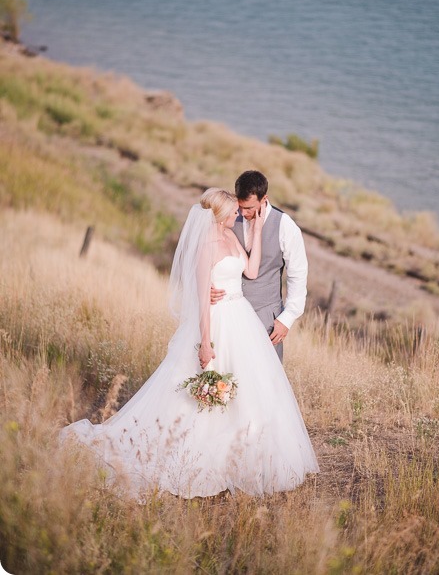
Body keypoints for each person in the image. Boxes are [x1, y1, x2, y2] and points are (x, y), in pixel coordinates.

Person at [58, 187, 319, 501]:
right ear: (220, 214)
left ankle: (246, 451)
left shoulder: (231, 237)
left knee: (251, 386)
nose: (238, 214)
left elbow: (250, 269)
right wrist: (205, 343)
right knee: (201, 389)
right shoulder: (206, 245)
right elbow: (201, 300)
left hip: (241, 319)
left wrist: (260, 230)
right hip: (217, 323)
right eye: (233, 210)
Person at [211, 171, 308, 363]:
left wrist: (286, 318)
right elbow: (206, 256)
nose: (243, 213)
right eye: (240, 207)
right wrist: (206, 287)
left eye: (249, 208)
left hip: (267, 321)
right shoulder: (228, 218)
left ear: (264, 199)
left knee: (265, 381)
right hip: (227, 318)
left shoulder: (285, 226)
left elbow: (298, 275)